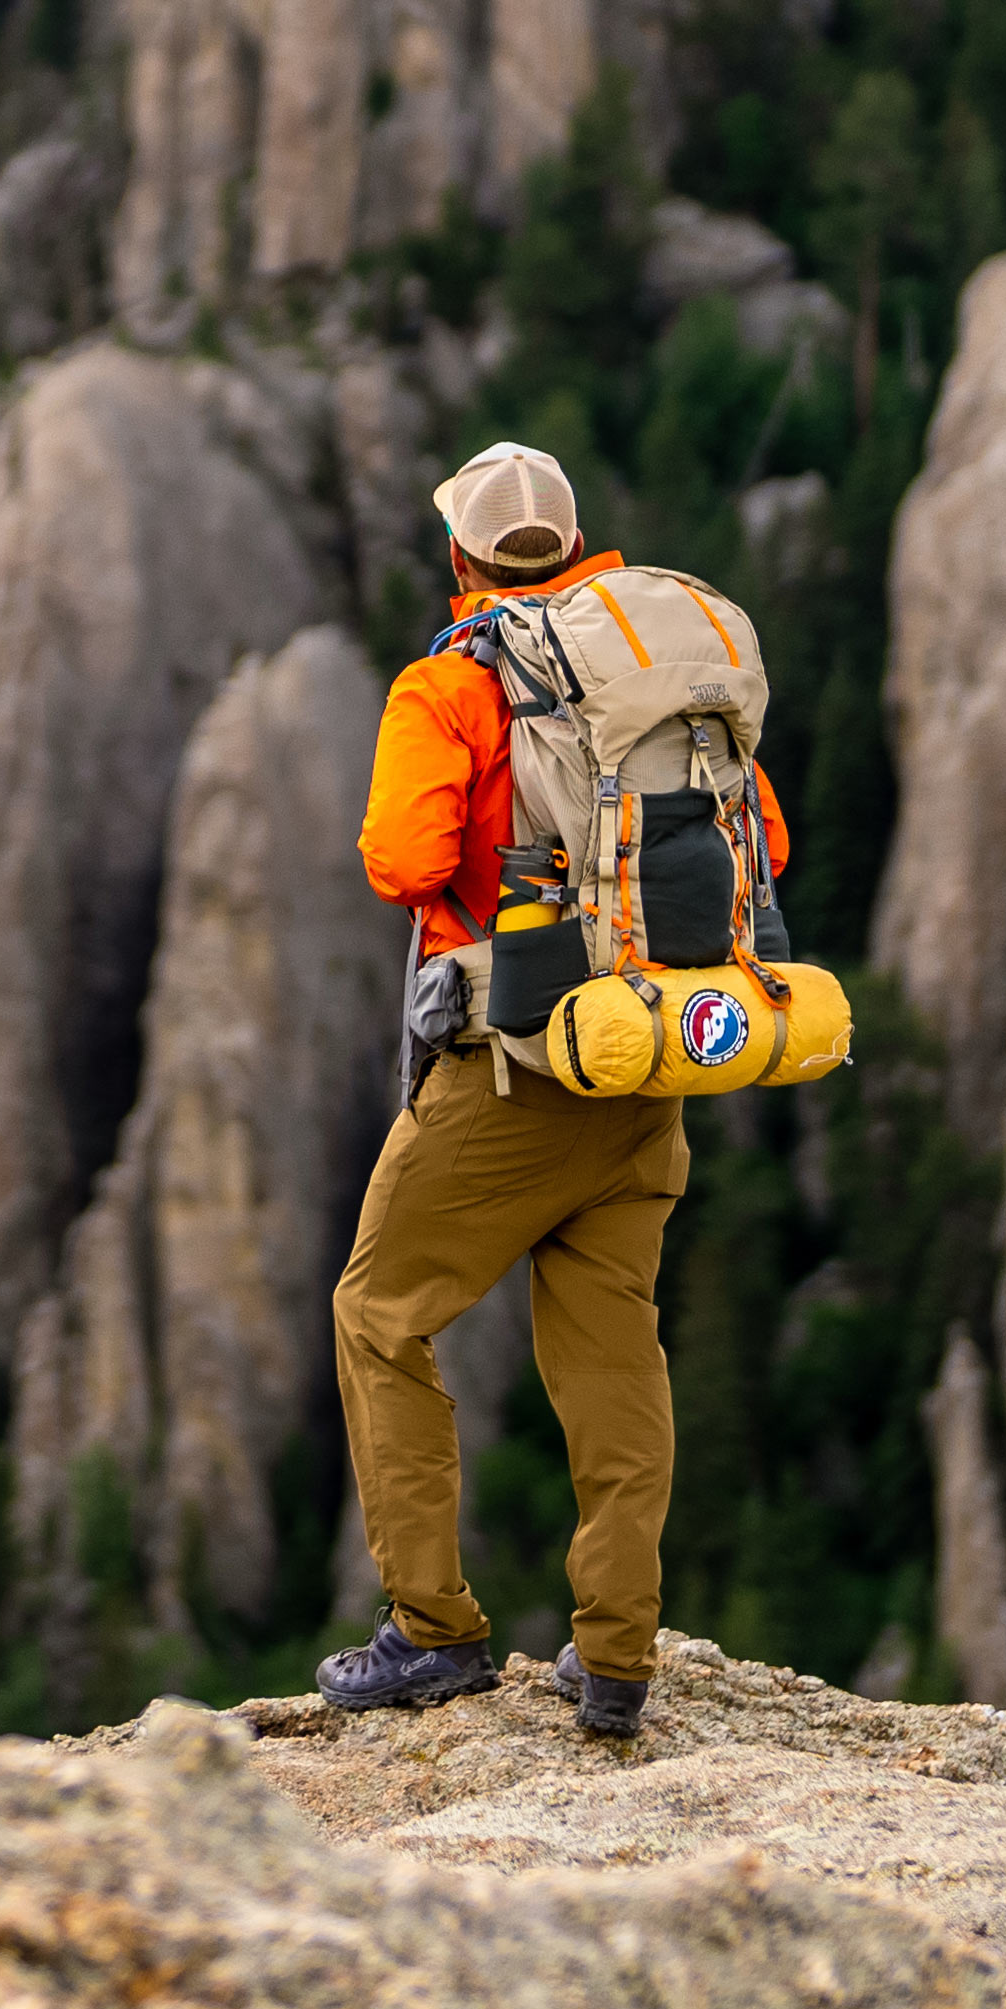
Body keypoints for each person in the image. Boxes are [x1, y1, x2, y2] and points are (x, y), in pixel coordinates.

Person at [315, 437, 789, 1745]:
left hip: (513, 1064)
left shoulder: (451, 681)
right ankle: (616, 1658)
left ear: (460, 554)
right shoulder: (654, 657)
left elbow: (399, 858)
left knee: (377, 1311)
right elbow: (771, 840)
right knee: (611, 1348)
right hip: (648, 1058)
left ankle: (430, 1629)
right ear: (579, 546)